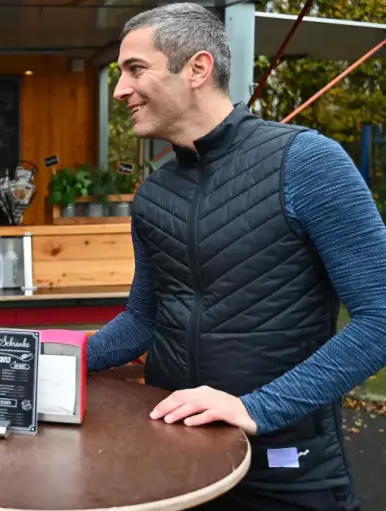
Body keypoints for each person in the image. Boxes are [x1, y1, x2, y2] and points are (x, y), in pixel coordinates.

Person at [89, 3, 386, 510]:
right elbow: (144, 318)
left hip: (287, 470)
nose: (120, 90)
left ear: (198, 69)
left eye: (136, 70)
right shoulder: (153, 195)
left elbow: (379, 319)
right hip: (175, 462)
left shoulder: (308, 162)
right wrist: (64, 360)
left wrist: (255, 408)